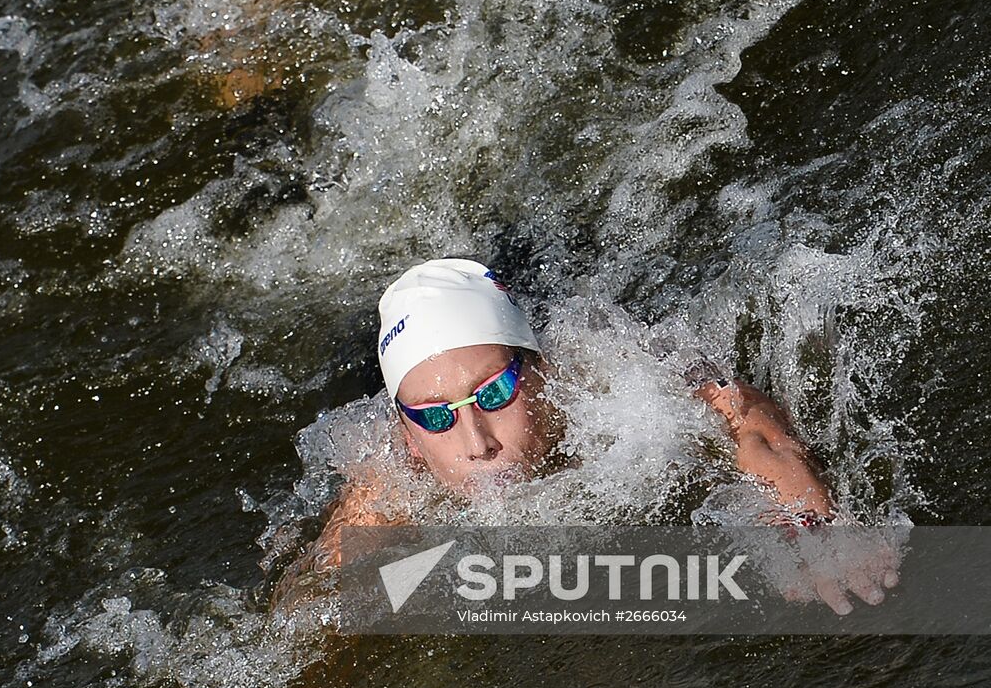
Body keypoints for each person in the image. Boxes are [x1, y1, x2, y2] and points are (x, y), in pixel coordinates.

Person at [271, 258, 898, 615]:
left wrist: (806, 517)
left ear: (541, 376)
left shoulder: (604, 376)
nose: (477, 440)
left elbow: (739, 412)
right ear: (408, 434)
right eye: (436, 415)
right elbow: (315, 612)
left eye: (494, 393)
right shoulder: (386, 486)